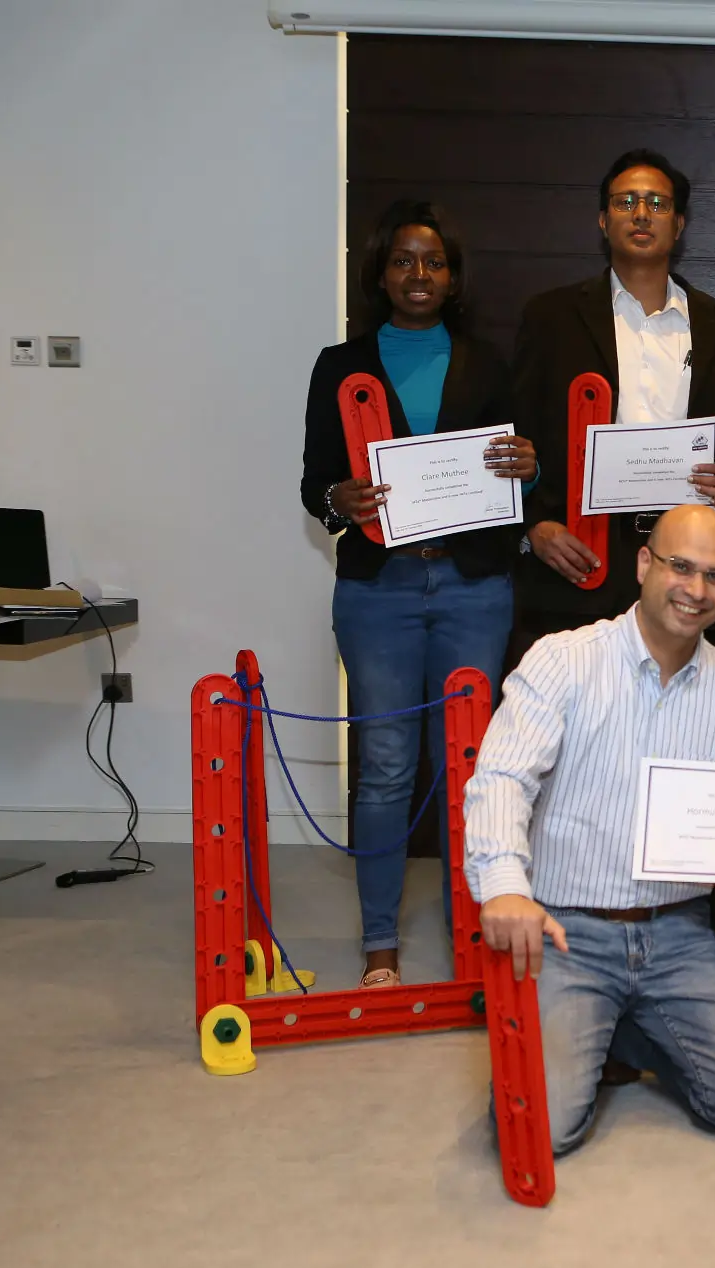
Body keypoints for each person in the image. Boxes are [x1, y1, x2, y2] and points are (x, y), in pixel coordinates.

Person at [464, 505, 715, 1153]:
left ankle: (623, 1027)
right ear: (645, 564)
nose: (696, 591)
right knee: (537, 1133)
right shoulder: (562, 661)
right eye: (680, 567)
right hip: (567, 931)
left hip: (680, 937)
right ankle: (605, 1023)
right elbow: (501, 778)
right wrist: (505, 886)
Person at [300, 199, 536, 989]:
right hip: (379, 592)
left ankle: (471, 938)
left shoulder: (489, 361)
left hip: (474, 585)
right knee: (387, 768)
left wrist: (525, 467)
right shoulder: (341, 365)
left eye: (433, 261)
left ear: (453, 277)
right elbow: (313, 487)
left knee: (472, 766)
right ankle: (379, 947)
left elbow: (522, 466)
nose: (419, 273)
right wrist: (342, 499)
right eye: (404, 259)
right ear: (380, 273)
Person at [508, 148, 715, 670]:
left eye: (657, 203)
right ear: (604, 220)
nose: (642, 214)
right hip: (579, 561)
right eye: (626, 201)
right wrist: (533, 527)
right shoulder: (550, 318)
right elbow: (516, 438)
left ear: (679, 223)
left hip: (686, 562)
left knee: (680, 729)